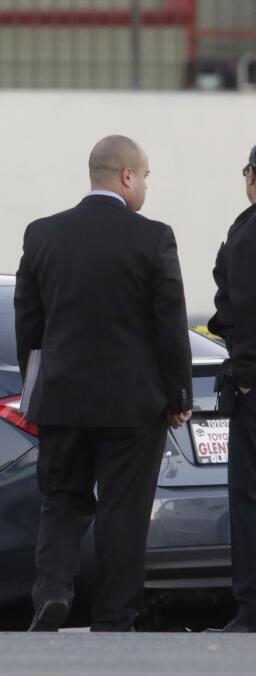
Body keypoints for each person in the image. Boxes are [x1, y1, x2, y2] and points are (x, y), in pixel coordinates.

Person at [14, 134, 192, 632]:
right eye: (147, 176)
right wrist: (178, 396)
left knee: (62, 499)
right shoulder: (152, 238)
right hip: (131, 406)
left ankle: (52, 590)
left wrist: (35, 384)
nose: (147, 187)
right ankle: (114, 617)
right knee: (122, 509)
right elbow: (169, 325)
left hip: (62, 398)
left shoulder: (42, 235)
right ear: (127, 176)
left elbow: (27, 320)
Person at [206, 144, 256, 633]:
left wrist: (243, 377)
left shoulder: (246, 232)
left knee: (248, 498)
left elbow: (236, 311)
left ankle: (251, 611)